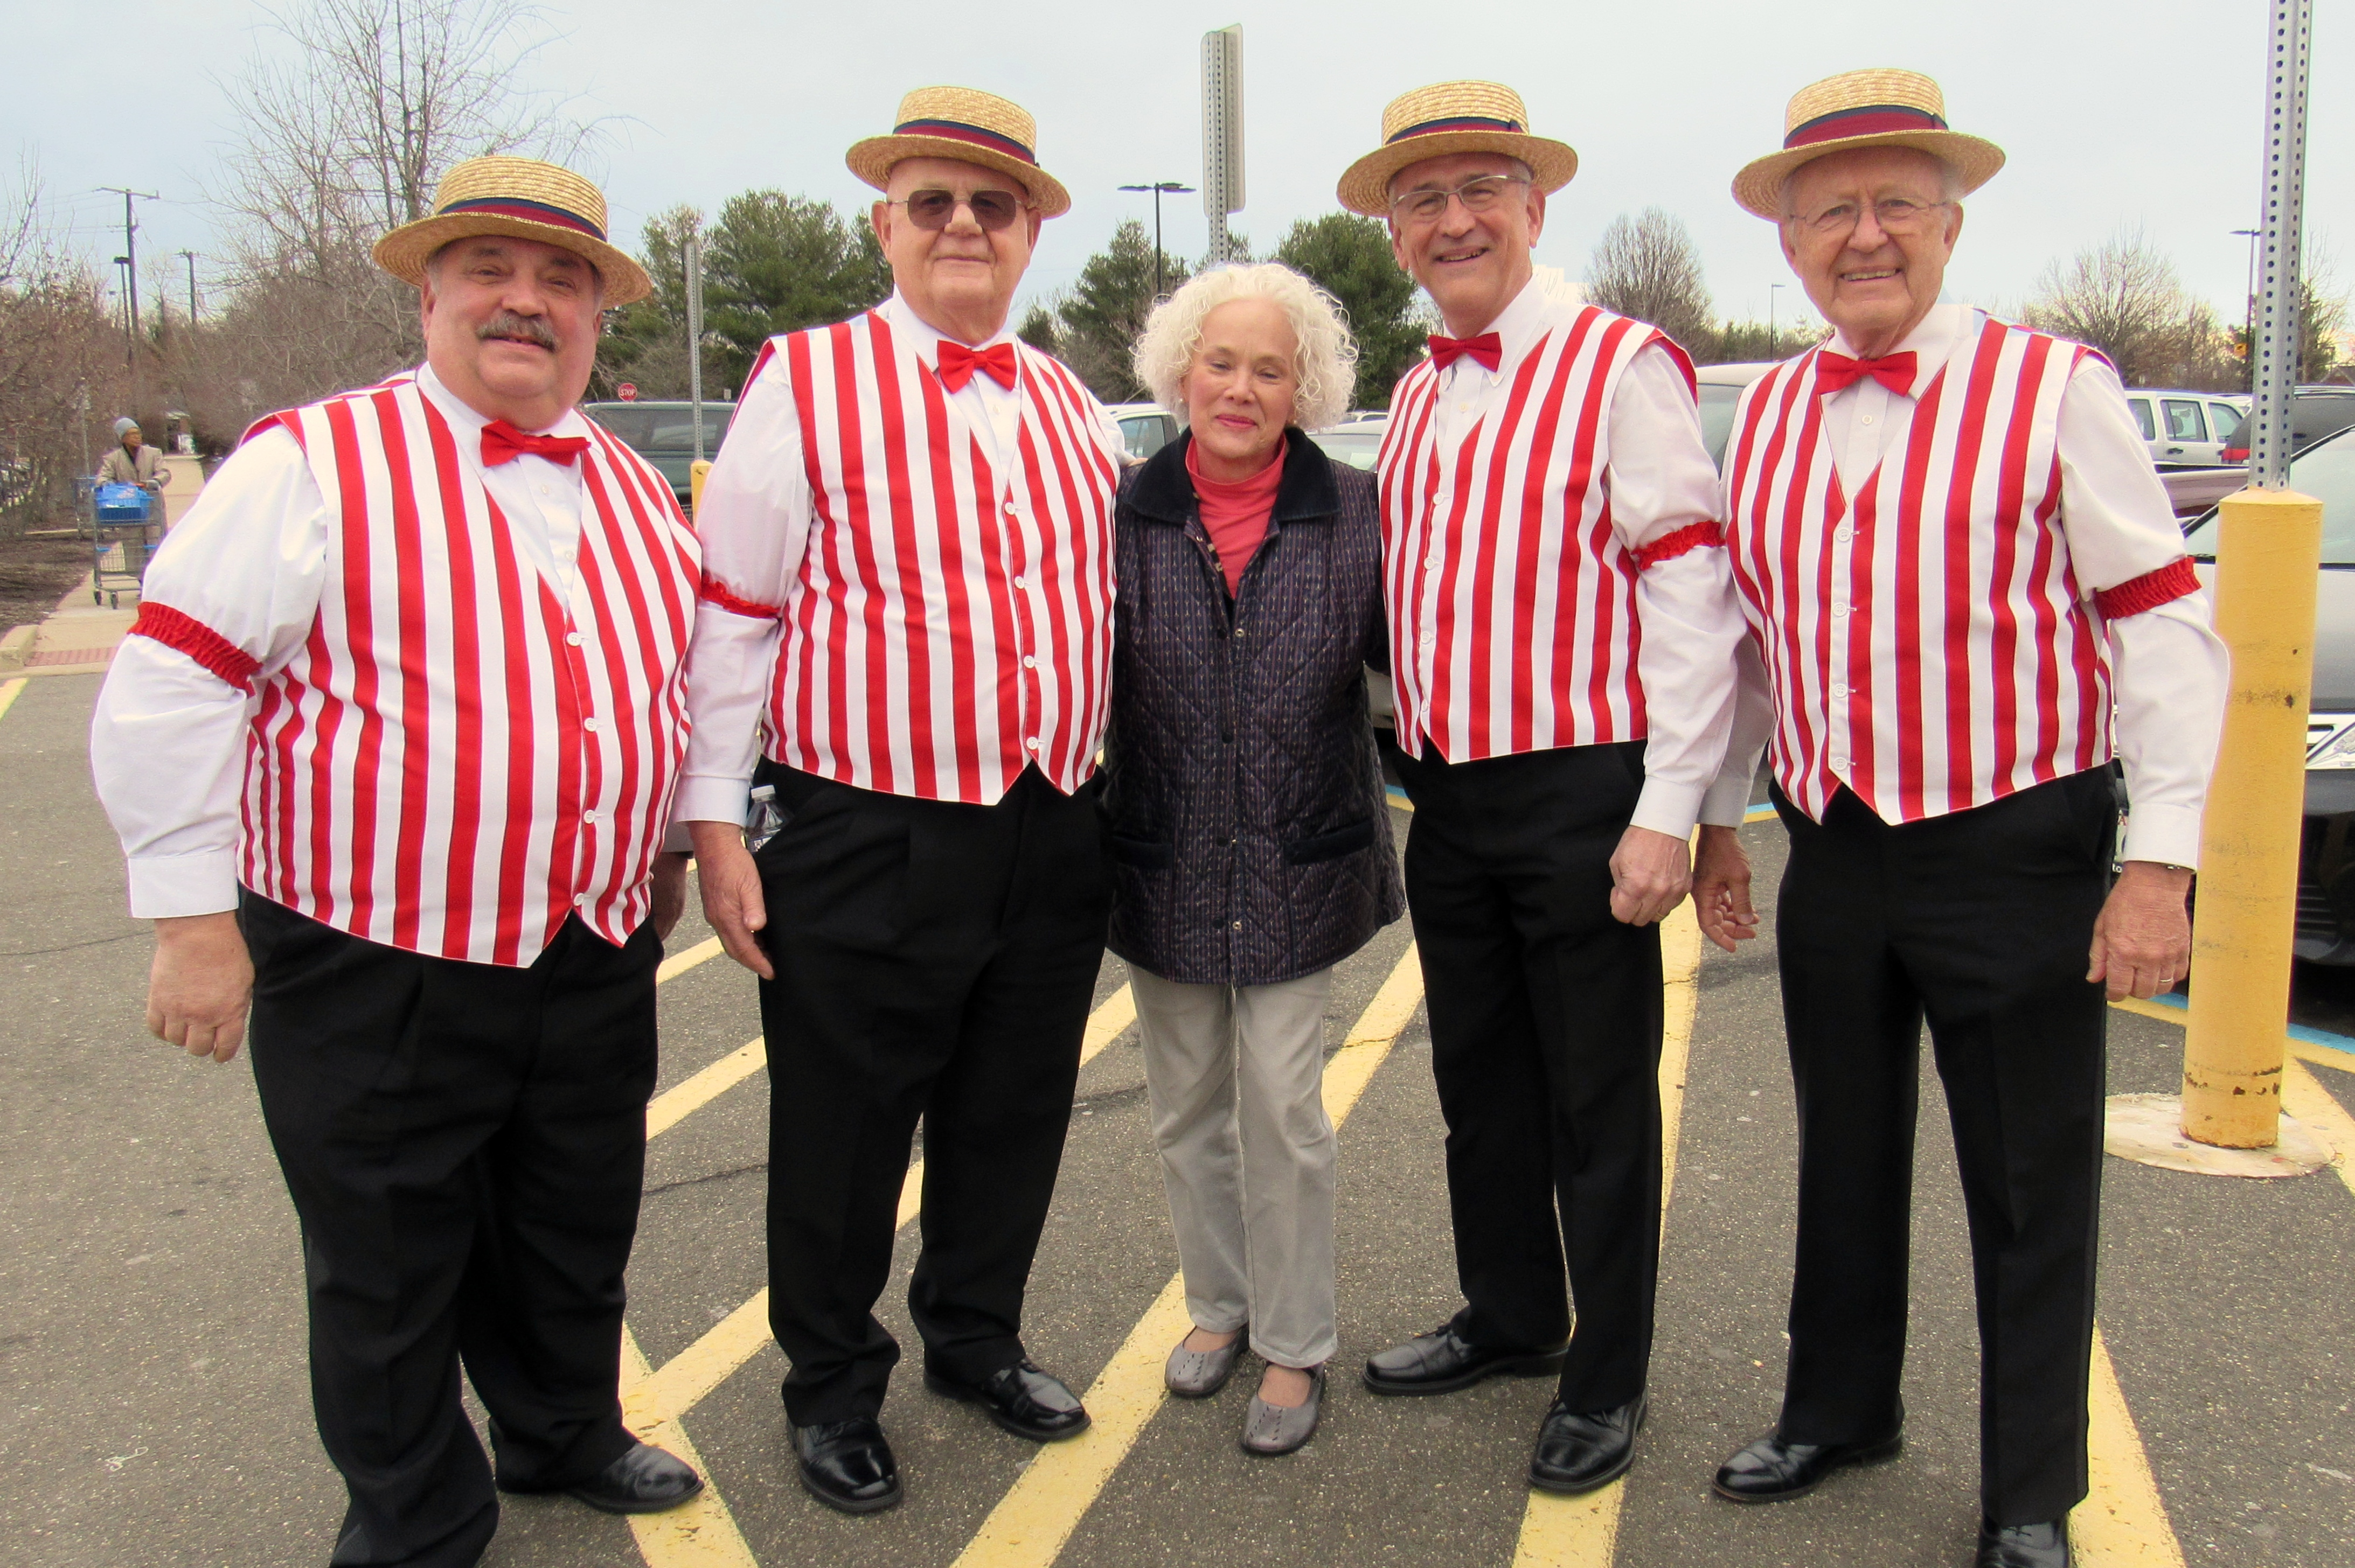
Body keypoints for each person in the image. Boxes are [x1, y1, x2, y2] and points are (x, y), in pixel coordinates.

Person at [88, 155, 707, 1568]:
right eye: (491, 269)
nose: (526, 301)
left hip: (588, 941)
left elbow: (662, 688)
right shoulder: (309, 462)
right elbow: (173, 687)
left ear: (597, 316)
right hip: (374, 948)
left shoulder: (625, 482)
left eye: (564, 281)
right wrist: (191, 917)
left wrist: (662, 844)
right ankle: (418, 1514)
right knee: (387, 1256)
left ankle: (560, 1426)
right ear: (428, 290)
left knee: (571, 1216)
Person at [1694, 69, 2229, 1568]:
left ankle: (2026, 1492)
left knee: (2027, 1177)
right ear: (1789, 244)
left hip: (2014, 845)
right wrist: (1724, 814)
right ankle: (1839, 1405)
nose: (1863, 236)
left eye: (1894, 206)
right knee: (1843, 1146)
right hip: (1840, 846)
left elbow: (2163, 637)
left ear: (1948, 223)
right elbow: (1751, 641)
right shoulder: (1777, 408)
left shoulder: (2053, 387)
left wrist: (2159, 866)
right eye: (1830, 213)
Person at [681, 87, 1121, 1516]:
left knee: (1012, 1107)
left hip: (1049, 817)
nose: (961, 226)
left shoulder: (1063, 397)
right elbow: (735, 614)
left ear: (1031, 232)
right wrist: (710, 825)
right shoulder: (802, 379)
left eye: (992, 205)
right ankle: (828, 1386)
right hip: (865, 819)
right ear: (886, 221)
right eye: (931, 201)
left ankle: (975, 1336)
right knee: (844, 1124)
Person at [1335, 81, 1752, 1493]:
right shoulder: (1415, 385)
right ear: (1394, 230)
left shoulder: (1618, 360)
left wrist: (1670, 812)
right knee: (1480, 1086)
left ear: (1532, 205)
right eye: (1423, 199)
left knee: (1595, 1094)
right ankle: (1511, 1311)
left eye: (1479, 191)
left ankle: (1606, 1368)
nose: (1453, 220)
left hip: (1583, 788)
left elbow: (1692, 603)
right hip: (1448, 795)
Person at [1107, 263, 1403, 1457]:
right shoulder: (1120, 512)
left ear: (1305, 388)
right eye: (1219, 362)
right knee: (1185, 1109)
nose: (1240, 387)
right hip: (1161, 855)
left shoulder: (1357, 513)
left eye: (1269, 369)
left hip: (1297, 857)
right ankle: (1217, 1308)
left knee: (1283, 1108)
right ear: (1181, 372)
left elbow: (1413, 668)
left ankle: (1292, 1342)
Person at [96, 417, 170, 494]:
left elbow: (164, 473)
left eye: (138, 433)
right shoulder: (112, 458)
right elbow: (103, 477)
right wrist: (108, 484)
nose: (137, 437)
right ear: (123, 438)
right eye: (132, 434)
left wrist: (154, 482)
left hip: (151, 499)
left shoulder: (154, 453)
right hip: (126, 501)